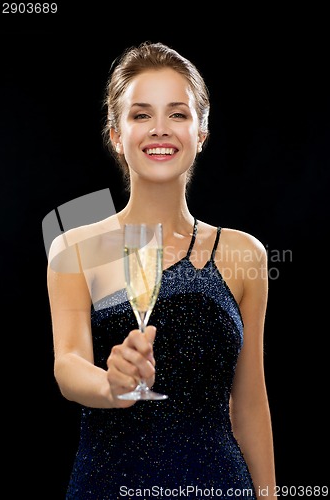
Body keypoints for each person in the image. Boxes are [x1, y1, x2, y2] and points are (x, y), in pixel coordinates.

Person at [47, 41, 277, 499]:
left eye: (177, 114)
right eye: (140, 115)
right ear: (115, 133)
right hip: (107, 486)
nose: (159, 130)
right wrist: (112, 384)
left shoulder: (243, 254)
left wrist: (270, 496)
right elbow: (68, 365)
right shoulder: (75, 246)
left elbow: (249, 402)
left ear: (201, 132)